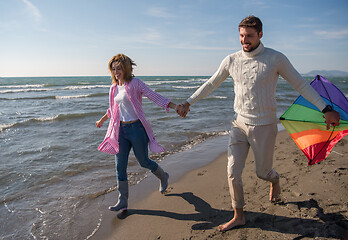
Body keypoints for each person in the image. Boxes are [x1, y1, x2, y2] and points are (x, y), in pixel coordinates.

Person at [176, 16, 340, 231]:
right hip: (238, 124)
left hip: (264, 126)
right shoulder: (231, 60)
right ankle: (239, 215)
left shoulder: (275, 58)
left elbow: (300, 84)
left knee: (262, 172)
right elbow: (211, 83)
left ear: (260, 35)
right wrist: (189, 102)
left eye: (249, 36)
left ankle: (274, 180)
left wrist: (326, 109)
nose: (245, 40)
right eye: (242, 36)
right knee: (232, 171)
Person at [96, 54, 177, 212]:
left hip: (137, 129)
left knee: (144, 161)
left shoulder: (135, 83)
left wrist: (173, 106)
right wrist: (102, 120)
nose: (116, 71)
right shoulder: (113, 88)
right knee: (120, 166)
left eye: (119, 68)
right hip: (121, 131)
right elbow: (113, 109)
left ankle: (163, 176)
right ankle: (123, 200)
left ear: (126, 68)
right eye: (113, 69)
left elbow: (153, 96)